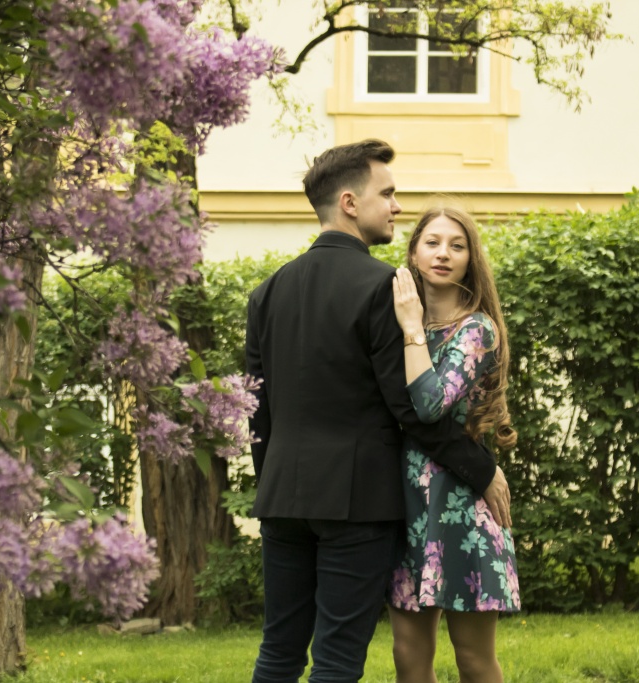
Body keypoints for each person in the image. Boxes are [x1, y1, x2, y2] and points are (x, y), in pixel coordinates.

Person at [245, 140, 512, 683]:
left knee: (278, 651)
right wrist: (481, 468)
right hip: (356, 501)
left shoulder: (266, 292)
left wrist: (271, 481)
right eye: (386, 193)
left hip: (281, 498)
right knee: (338, 659)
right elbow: (411, 408)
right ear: (349, 202)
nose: (396, 206)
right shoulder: (385, 287)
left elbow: (258, 408)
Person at [387, 202, 520, 683]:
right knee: (408, 654)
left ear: (470, 260)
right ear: (414, 252)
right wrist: (408, 325)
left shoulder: (476, 329)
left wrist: (411, 329)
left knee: (473, 659)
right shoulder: (390, 322)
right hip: (406, 506)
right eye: (433, 242)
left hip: (463, 506)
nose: (443, 253)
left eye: (457, 245)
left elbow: (430, 405)